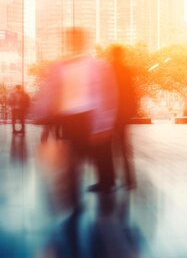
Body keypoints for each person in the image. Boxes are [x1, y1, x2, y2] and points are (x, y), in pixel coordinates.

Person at [30, 27, 118, 200]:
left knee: (86, 154)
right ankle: (73, 189)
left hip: (88, 117)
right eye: (71, 39)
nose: (74, 42)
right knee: (71, 156)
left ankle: (91, 184)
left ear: (83, 41)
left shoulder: (97, 66)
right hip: (67, 118)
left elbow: (109, 95)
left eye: (77, 38)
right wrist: (39, 112)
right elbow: (48, 91)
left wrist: (106, 123)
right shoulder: (59, 67)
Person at [109, 45, 137, 189]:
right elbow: (131, 91)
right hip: (122, 113)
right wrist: (132, 110)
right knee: (124, 146)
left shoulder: (109, 69)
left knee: (110, 147)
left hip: (111, 112)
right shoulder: (126, 70)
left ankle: (111, 179)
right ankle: (129, 179)